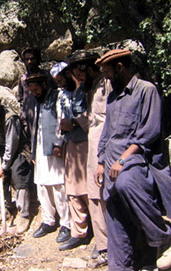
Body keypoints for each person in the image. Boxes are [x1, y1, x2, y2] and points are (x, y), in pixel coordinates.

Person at [95, 49, 171, 271]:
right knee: (115, 216)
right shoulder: (112, 97)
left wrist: (123, 159)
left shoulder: (147, 90)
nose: (107, 79)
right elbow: (107, 133)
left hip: (138, 159)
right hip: (111, 162)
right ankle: (120, 267)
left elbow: (150, 131)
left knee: (126, 183)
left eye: (108, 73)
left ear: (120, 68)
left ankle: (163, 238)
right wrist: (101, 161)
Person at [67, 50, 112, 268]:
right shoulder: (90, 89)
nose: (79, 77)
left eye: (80, 72)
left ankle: (114, 246)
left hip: (108, 150)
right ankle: (104, 246)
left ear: (90, 68)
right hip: (93, 149)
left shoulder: (107, 85)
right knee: (95, 197)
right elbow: (93, 120)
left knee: (106, 197)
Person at [25, 73, 71, 242]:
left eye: (36, 89)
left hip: (54, 148)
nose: (35, 93)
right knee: (42, 186)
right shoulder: (39, 101)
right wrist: (33, 153)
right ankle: (48, 220)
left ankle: (66, 223)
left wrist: (58, 143)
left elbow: (61, 120)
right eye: (32, 91)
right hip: (39, 148)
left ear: (44, 85)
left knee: (59, 186)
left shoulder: (58, 97)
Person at [0, 95, 33, 234]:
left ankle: (24, 215)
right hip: (2, 148)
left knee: (19, 179)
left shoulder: (10, 118)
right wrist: (2, 166)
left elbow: (12, 144)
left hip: (19, 149)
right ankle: (6, 209)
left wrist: (4, 166)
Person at [57, 59, 91, 251]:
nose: (74, 77)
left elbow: (97, 116)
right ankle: (79, 232)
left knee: (88, 189)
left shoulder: (89, 92)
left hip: (87, 143)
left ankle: (96, 231)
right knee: (72, 189)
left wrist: (76, 123)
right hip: (71, 142)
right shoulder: (69, 94)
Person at [17, 47, 54, 139]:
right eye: (27, 59)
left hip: (46, 115)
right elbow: (21, 99)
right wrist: (24, 118)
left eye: (32, 58)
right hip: (29, 118)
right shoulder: (22, 79)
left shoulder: (46, 76)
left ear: (37, 59)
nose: (29, 62)